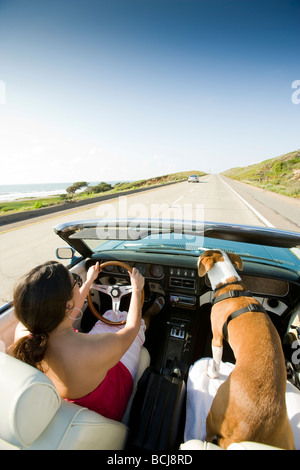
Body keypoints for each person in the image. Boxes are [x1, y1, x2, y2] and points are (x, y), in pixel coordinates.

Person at [10, 260, 164, 421]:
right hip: (109, 401)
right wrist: (137, 290)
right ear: (67, 305)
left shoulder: (25, 334)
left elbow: (70, 309)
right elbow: (132, 328)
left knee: (106, 318)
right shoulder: (92, 349)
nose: (79, 283)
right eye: (76, 280)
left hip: (78, 396)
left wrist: (90, 280)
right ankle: (151, 312)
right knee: (141, 325)